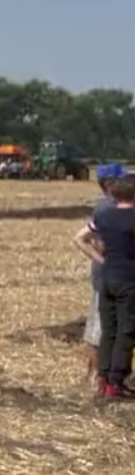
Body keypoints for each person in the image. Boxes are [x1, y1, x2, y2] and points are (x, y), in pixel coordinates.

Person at [75, 174, 135, 400]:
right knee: (126, 329)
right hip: (128, 279)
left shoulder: (105, 215)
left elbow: (79, 238)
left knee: (109, 330)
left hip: (107, 278)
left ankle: (103, 378)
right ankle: (116, 382)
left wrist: (101, 260)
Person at [81, 163, 124, 381]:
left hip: (108, 275)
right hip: (108, 277)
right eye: (122, 180)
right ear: (110, 184)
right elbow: (99, 243)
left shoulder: (108, 206)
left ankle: (95, 376)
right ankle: (99, 380)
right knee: (100, 330)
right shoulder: (108, 208)